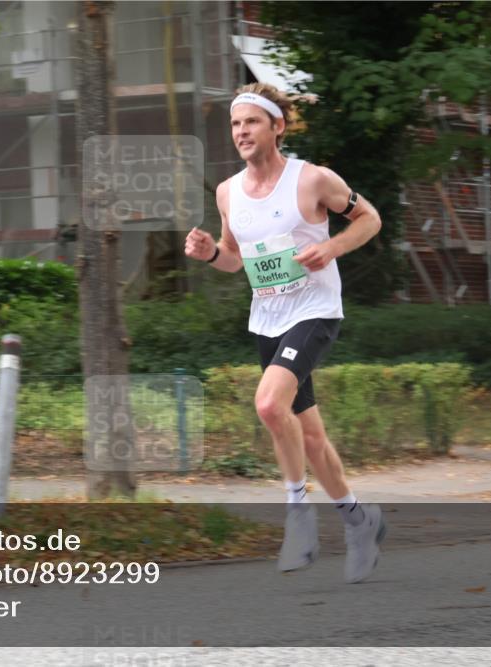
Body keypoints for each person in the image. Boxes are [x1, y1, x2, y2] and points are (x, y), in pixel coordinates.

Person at [185, 83, 386, 583]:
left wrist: (332, 248)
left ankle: (298, 517)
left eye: (251, 122)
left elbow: (370, 218)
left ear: (277, 126)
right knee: (311, 438)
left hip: (315, 309)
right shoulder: (227, 192)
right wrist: (211, 252)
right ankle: (360, 522)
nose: (241, 132)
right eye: (235, 124)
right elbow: (234, 260)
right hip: (267, 318)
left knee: (270, 405)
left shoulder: (312, 180)